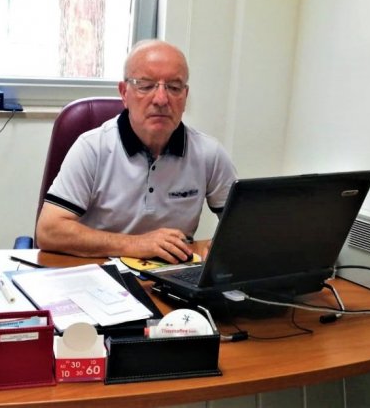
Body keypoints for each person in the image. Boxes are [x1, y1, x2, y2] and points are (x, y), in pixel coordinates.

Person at [36, 39, 237, 263]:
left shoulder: (209, 154)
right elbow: (49, 231)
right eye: (146, 85)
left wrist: (224, 244)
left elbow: (243, 227)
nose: (161, 99)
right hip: (100, 272)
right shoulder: (93, 148)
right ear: (124, 93)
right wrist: (136, 244)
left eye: (174, 87)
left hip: (173, 274)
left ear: (185, 96)